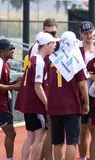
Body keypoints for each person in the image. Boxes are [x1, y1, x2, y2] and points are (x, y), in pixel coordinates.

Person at [15, 32, 59, 160]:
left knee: (31, 136)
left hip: (29, 103)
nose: (54, 46)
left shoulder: (33, 59)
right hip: (35, 105)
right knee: (39, 136)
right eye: (52, 44)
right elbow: (38, 86)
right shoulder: (39, 62)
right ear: (46, 45)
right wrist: (47, 104)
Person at [46, 31, 89, 160]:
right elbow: (82, 85)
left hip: (54, 106)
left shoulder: (52, 60)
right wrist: (87, 103)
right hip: (72, 106)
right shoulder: (75, 59)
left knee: (57, 142)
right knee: (72, 142)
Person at [77, 21, 95, 160]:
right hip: (80, 94)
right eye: (85, 33)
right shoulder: (76, 49)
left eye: (90, 32)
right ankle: (82, 157)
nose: (88, 35)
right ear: (80, 34)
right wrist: (86, 75)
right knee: (82, 130)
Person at [40, 17, 60, 160]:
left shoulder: (60, 45)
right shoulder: (37, 47)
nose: (51, 36)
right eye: (48, 33)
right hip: (42, 93)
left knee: (49, 130)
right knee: (45, 131)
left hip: (56, 94)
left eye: (53, 33)